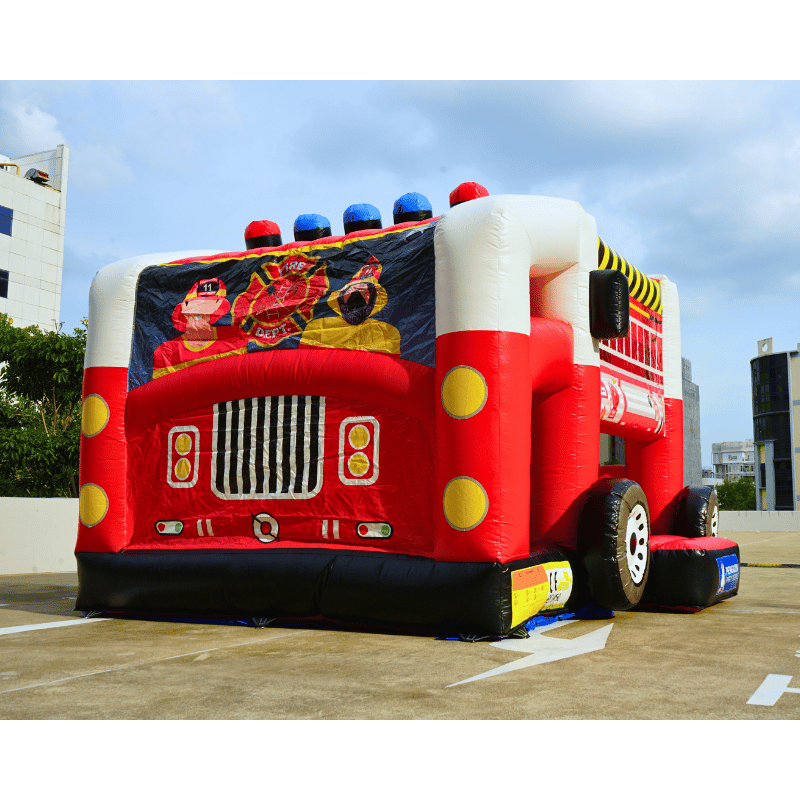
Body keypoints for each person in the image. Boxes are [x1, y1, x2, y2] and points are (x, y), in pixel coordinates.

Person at [300, 256, 400, 355]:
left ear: (372, 299)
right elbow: (303, 358)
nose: (358, 295)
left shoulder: (387, 332)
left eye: (365, 292)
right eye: (353, 290)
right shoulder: (317, 327)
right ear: (341, 295)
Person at [152, 277, 247, 379]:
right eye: (194, 307)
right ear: (184, 312)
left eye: (206, 307)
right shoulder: (166, 352)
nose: (199, 313)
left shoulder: (235, 336)